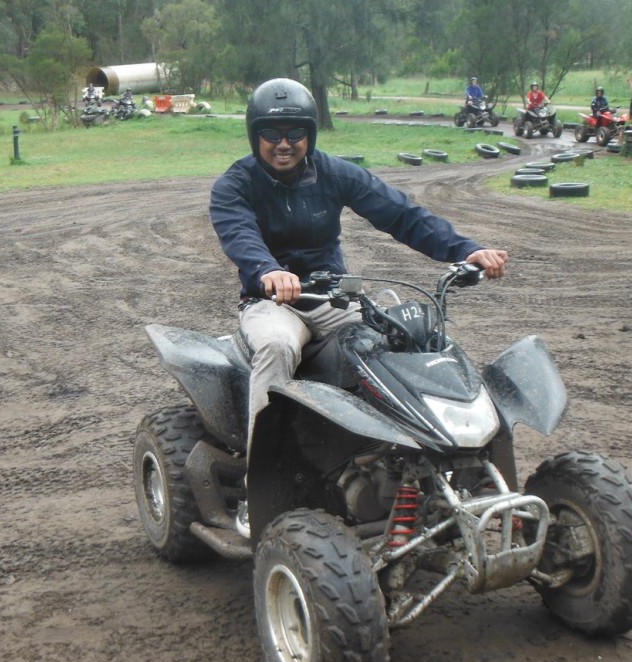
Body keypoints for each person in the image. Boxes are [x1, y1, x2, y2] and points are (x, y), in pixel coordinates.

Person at [209, 78, 509, 536]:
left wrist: (464, 250)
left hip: (333, 299)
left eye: (295, 132)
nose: (284, 143)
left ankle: (385, 461)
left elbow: (401, 214)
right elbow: (240, 235)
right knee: (275, 347)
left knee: (388, 347)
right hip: (271, 301)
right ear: (256, 136)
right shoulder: (235, 185)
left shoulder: (334, 173)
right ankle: (261, 485)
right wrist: (268, 270)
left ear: (310, 134)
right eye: (273, 133)